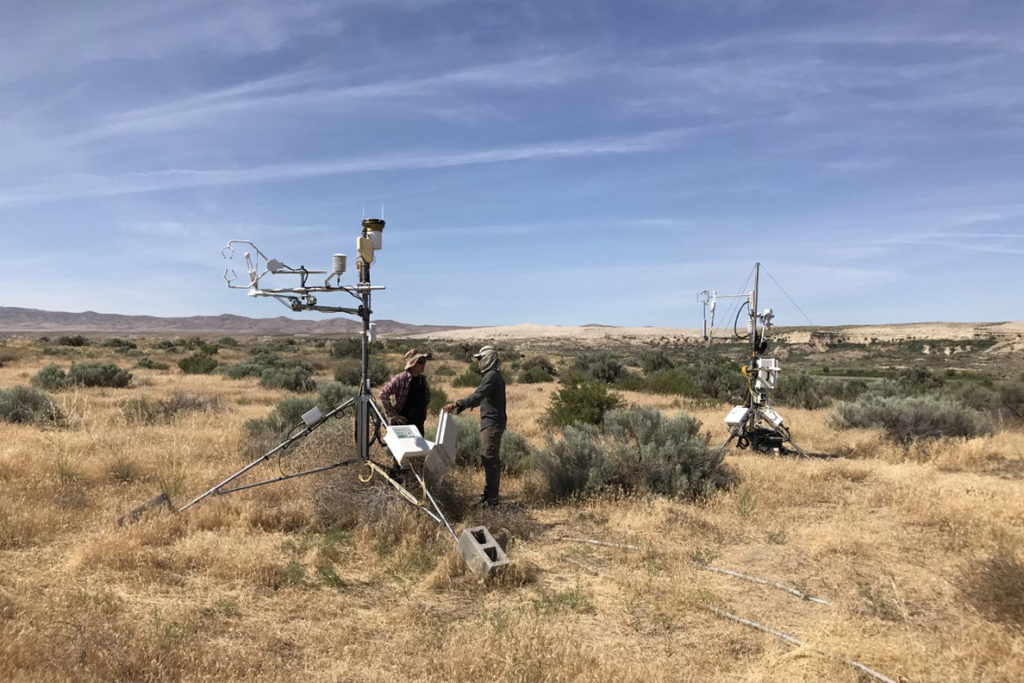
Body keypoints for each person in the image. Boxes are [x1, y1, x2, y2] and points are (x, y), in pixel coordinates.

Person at [444, 345, 507, 507]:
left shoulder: (491, 376)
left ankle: (492, 500)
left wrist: (459, 403)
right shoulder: (493, 375)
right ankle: (489, 496)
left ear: (488, 359)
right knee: (488, 458)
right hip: (492, 422)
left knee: (490, 459)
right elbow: (483, 397)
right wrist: (467, 405)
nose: (478, 362)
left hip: (492, 422)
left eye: (480, 359)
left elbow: (479, 394)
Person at [379, 349, 431, 436]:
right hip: (402, 426)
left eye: (424, 361)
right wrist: (393, 414)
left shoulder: (423, 380)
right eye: (420, 362)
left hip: (418, 426)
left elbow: (427, 398)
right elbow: (383, 394)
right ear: (413, 364)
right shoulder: (401, 379)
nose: (423, 364)